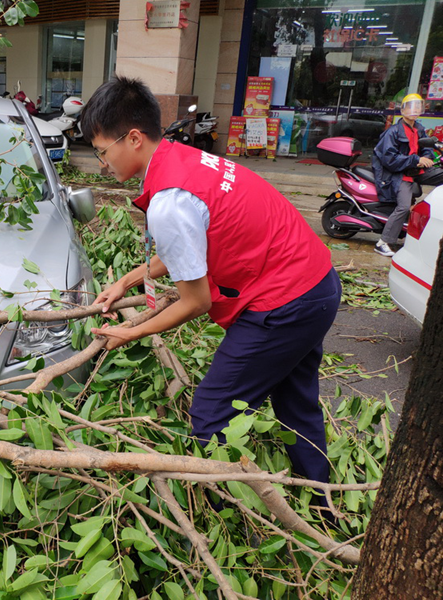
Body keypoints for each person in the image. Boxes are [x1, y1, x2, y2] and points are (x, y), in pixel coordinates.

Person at [82, 76, 341, 488]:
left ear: (132, 138)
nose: (102, 164)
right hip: (317, 284)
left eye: (101, 152)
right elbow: (188, 246)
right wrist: (128, 282)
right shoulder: (183, 159)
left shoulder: (169, 202)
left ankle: (226, 506)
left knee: (212, 411)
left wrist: (131, 333)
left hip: (284, 303)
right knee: (295, 400)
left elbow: (196, 301)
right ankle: (323, 499)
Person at [372, 93, 443, 257]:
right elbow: (389, 159)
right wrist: (416, 160)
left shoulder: (419, 129)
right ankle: (383, 242)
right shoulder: (393, 132)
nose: (414, 109)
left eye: (418, 106)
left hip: (417, 170)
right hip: (400, 174)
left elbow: (426, 147)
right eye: (411, 106)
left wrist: (428, 158)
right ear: (403, 110)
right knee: (403, 207)